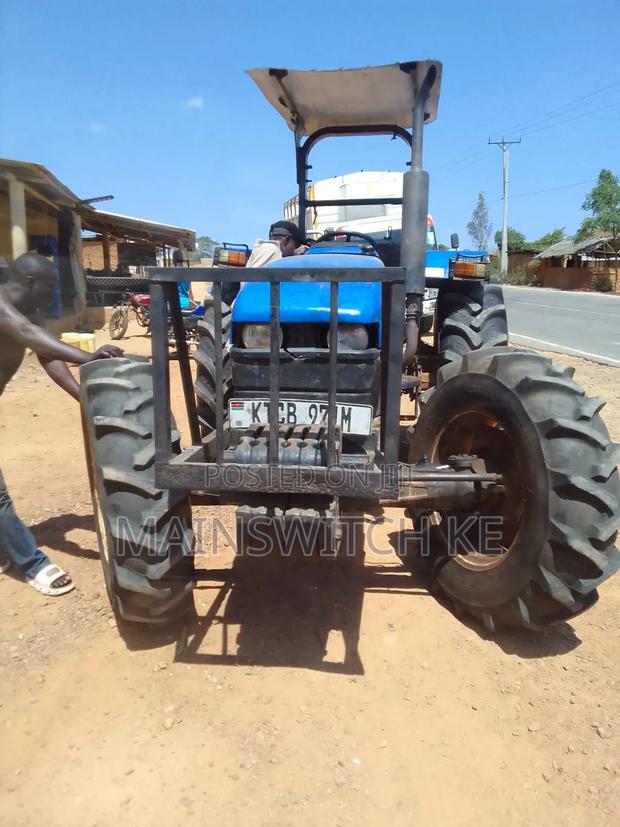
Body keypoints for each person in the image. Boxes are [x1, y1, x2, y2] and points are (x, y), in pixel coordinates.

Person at [0, 252, 123, 596]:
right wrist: (88, 356)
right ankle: (32, 564)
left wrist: (84, 398)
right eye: (50, 285)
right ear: (29, 282)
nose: (54, 292)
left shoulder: (29, 311)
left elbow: (48, 354)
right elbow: (25, 332)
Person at [222, 221, 308, 305]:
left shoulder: (268, 250)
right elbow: (253, 286)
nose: (295, 250)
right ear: (287, 240)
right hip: (253, 308)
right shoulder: (270, 250)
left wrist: (292, 254)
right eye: (295, 246)